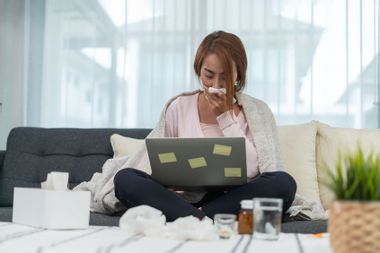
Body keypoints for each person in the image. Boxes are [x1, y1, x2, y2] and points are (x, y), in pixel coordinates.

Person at [113, 31, 297, 221]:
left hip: (233, 199)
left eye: (225, 77)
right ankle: (203, 219)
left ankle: (193, 220)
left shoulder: (256, 111)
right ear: (199, 70)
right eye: (209, 75)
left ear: (238, 75)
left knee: (283, 183)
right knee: (125, 179)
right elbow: (160, 162)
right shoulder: (180, 107)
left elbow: (252, 170)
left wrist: (225, 118)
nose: (215, 85)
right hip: (183, 200)